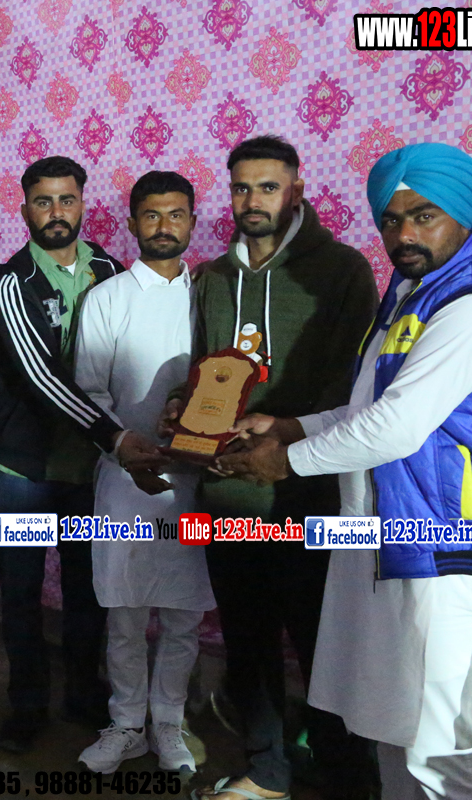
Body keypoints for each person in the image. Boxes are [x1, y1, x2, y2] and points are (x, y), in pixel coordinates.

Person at [218, 142, 472, 800]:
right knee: (398, 727)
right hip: (397, 541)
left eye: (424, 216)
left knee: (442, 750)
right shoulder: (413, 295)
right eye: (391, 219)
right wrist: (292, 426)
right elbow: (370, 407)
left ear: (464, 215)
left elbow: (397, 426)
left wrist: (285, 459)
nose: (404, 234)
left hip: (453, 551)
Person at [175, 134, 380, 800]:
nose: (252, 200)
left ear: (296, 190)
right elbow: (204, 368)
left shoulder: (342, 270)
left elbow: (352, 386)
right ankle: (267, 770)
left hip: (308, 497)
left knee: (326, 646)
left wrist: (284, 443)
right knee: (248, 643)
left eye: (267, 186)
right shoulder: (212, 277)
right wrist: (182, 411)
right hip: (226, 498)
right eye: (241, 187)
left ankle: (347, 779)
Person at [0, 155, 137, 753]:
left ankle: (82, 693)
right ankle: (27, 705)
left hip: (89, 472)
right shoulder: (11, 281)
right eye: (43, 201)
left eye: (66, 200)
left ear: (82, 204)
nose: (56, 212)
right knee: (21, 594)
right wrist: (116, 437)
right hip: (25, 467)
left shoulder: (112, 271)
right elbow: (39, 376)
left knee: (86, 589)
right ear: (25, 209)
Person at [74, 171, 215, 774]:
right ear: (132, 223)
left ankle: (168, 723)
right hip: (124, 478)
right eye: (152, 215)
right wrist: (127, 448)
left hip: (196, 481)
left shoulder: (211, 296)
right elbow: (88, 392)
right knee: (126, 613)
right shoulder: (107, 298)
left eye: (176, 214)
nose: (164, 226)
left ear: (192, 222)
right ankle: (127, 723)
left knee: (184, 615)